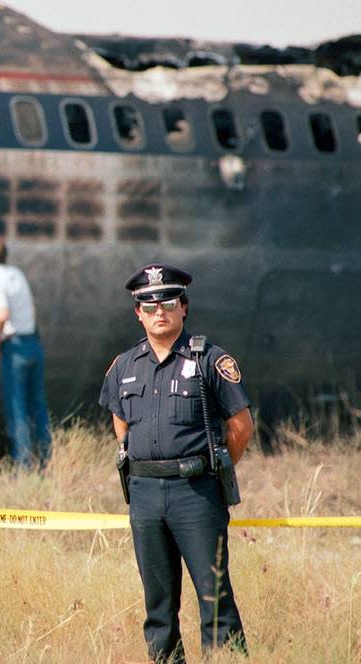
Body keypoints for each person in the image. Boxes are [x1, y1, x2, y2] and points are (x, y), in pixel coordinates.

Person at [99, 264, 253, 663]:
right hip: (145, 495)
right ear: (138, 313)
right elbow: (121, 421)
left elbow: (240, 426)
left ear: (184, 307)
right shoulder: (124, 365)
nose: (159, 313)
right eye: (148, 307)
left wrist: (210, 466)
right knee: (158, 604)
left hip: (195, 493)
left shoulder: (210, 360)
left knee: (214, 597)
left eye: (168, 303)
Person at [0, 234, 51, 468]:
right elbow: (31, 308)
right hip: (33, 343)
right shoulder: (16, 273)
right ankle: (46, 459)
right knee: (37, 404)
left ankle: (23, 464)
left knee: (16, 406)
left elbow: (2, 313)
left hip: (15, 346)